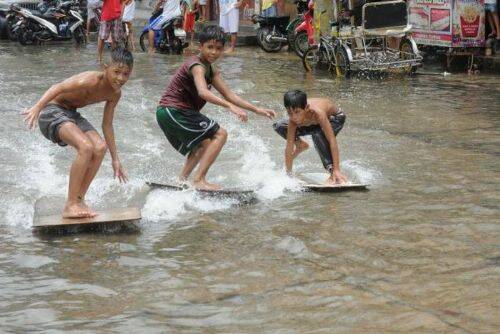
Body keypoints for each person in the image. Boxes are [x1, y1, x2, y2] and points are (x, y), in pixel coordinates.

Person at [156, 25, 275, 190]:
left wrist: (257, 110)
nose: (213, 52)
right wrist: (230, 107)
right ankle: (199, 179)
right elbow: (203, 92)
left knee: (203, 144)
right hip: (173, 110)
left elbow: (230, 94)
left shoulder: (212, 69)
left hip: (169, 112)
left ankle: (181, 181)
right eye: (209, 47)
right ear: (200, 46)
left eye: (218, 48)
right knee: (220, 133)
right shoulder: (197, 66)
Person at [22, 48, 133, 218]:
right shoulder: (89, 80)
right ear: (106, 67)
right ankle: (70, 205)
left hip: (71, 113)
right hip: (51, 111)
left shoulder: (115, 94)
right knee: (86, 147)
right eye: (116, 72)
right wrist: (37, 108)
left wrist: (115, 159)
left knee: (100, 147)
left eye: (126, 74)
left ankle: (79, 199)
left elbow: (107, 125)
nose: (120, 78)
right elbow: (57, 87)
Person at [273, 90, 348, 185]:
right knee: (280, 126)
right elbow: (289, 147)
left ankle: (333, 173)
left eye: (297, 112)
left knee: (319, 135)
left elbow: (332, 140)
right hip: (312, 123)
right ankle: (301, 145)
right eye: (289, 113)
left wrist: (337, 169)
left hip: (335, 118)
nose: (294, 117)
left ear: (307, 108)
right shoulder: (293, 120)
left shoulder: (318, 113)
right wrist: (289, 174)